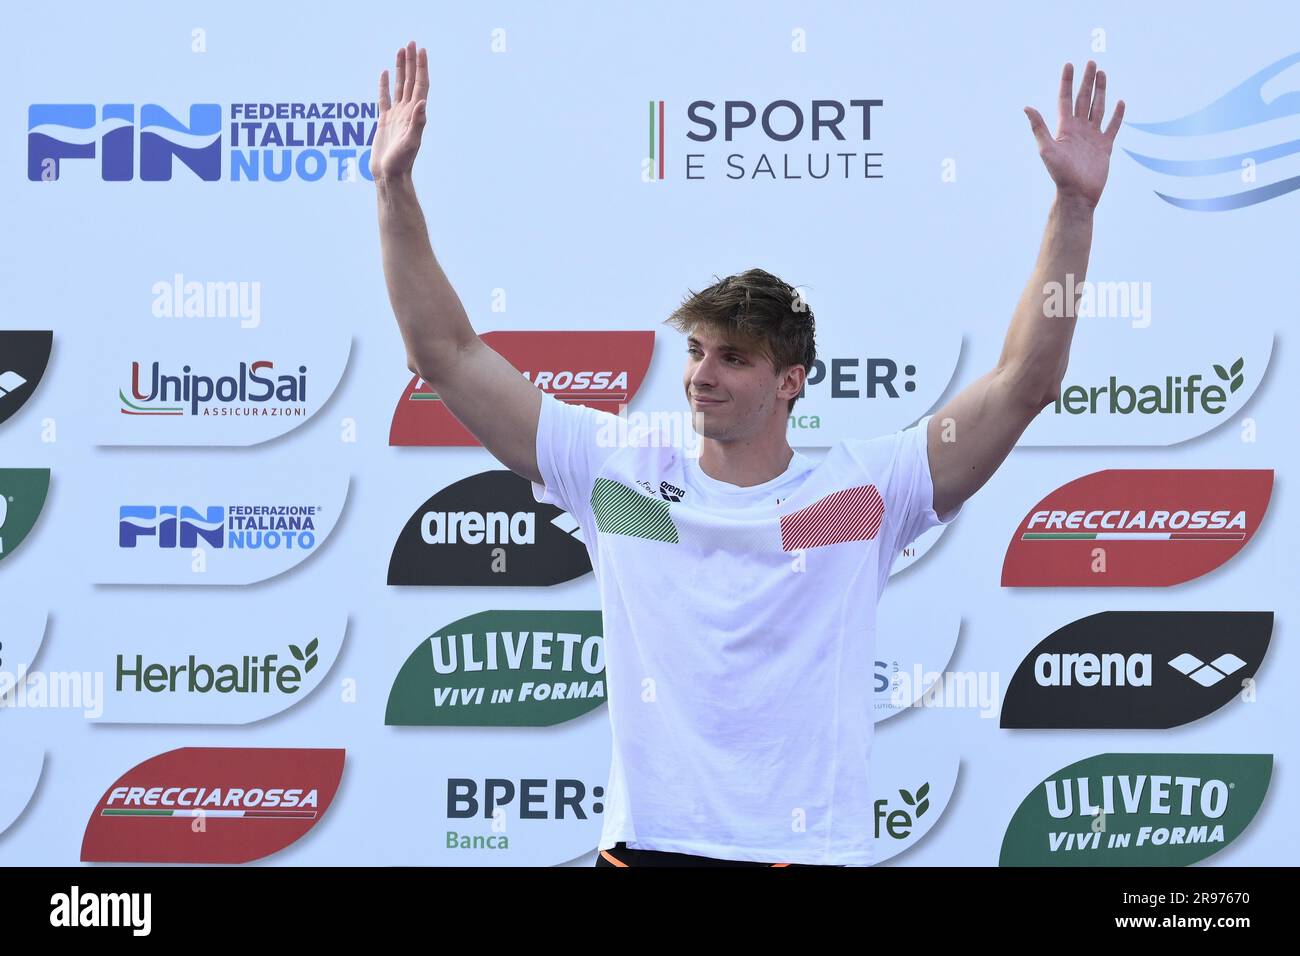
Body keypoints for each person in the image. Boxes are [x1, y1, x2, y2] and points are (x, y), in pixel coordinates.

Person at [372, 41, 1124, 867]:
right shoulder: (617, 473)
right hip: (646, 849)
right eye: (696, 352)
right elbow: (445, 354)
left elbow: (1024, 384)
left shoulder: (864, 492)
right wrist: (395, 187)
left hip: (801, 855)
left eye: (733, 358)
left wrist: (1074, 211)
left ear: (791, 380)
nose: (701, 375)